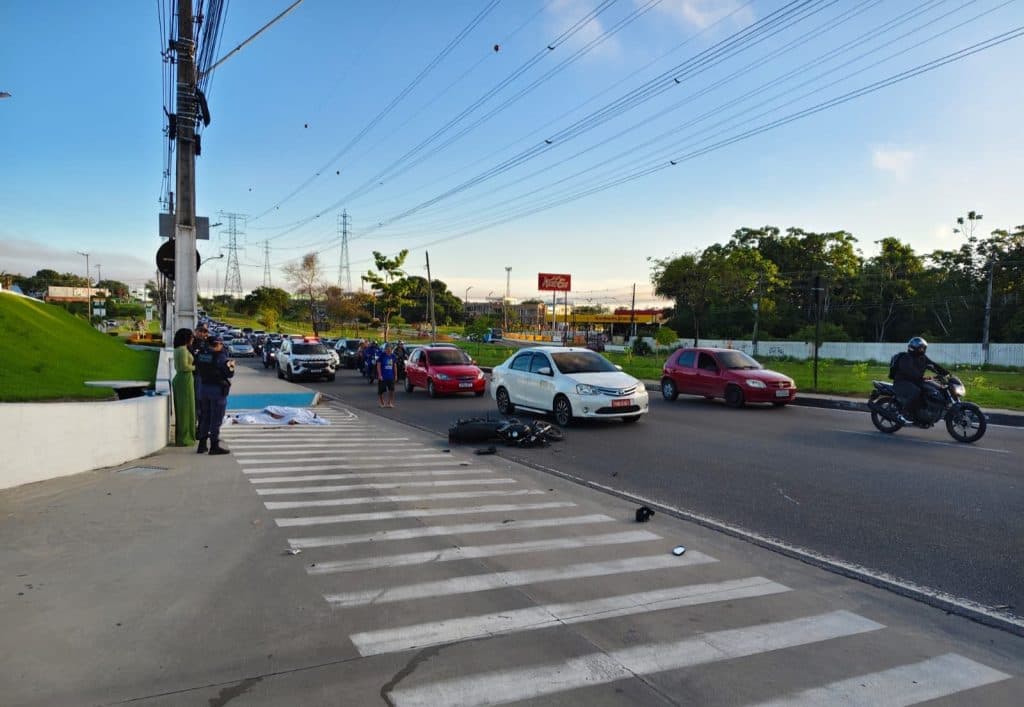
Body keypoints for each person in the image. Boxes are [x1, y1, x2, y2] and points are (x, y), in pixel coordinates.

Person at [892, 336, 949, 424]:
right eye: (921, 348)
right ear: (915, 348)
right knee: (916, 392)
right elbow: (910, 372)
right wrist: (924, 378)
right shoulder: (905, 358)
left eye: (924, 348)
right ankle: (903, 415)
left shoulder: (922, 357)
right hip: (902, 382)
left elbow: (933, 364)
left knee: (931, 390)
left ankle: (922, 413)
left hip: (916, 381)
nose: (923, 350)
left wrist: (947, 374)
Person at [195, 335, 235, 455]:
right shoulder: (220, 357)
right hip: (217, 390)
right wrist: (231, 365)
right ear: (217, 344)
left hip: (203, 388)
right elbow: (229, 374)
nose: (222, 346)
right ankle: (214, 446)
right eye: (221, 344)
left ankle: (202, 445)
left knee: (205, 417)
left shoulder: (201, 354)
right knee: (216, 419)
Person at [171, 328, 197, 447]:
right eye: (191, 337)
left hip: (185, 380)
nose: (192, 339)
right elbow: (183, 367)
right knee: (185, 409)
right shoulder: (182, 350)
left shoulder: (180, 349)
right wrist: (195, 367)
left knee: (188, 408)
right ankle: (184, 438)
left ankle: (187, 436)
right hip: (184, 380)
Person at [189, 324, 210, 437]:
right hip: (196, 376)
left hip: (206, 377)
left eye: (204, 331)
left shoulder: (209, 343)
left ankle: (202, 428)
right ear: (196, 331)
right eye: (200, 331)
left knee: (204, 404)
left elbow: (210, 358)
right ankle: (197, 428)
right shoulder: (192, 342)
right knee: (197, 403)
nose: (202, 333)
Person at [377, 342, 397, 407]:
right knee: (381, 391)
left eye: (390, 349)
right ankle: (382, 403)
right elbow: (378, 365)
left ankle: (389, 402)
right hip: (383, 376)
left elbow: (394, 366)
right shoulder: (382, 355)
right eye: (387, 349)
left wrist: (396, 375)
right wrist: (380, 375)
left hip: (390, 376)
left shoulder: (393, 356)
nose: (389, 350)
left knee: (392, 390)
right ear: (385, 349)